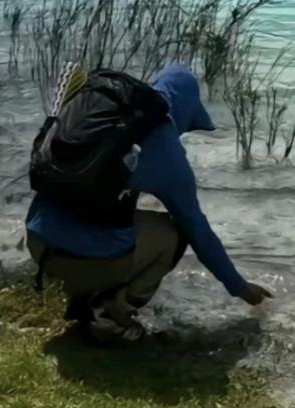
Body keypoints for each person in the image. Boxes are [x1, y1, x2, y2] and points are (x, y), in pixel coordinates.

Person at [26, 63, 272, 341]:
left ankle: (84, 298)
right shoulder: (167, 153)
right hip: (82, 263)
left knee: (99, 213)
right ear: (185, 110)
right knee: (174, 232)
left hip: (38, 245)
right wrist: (238, 286)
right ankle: (111, 314)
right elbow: (198, 232)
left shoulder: (101, 117)